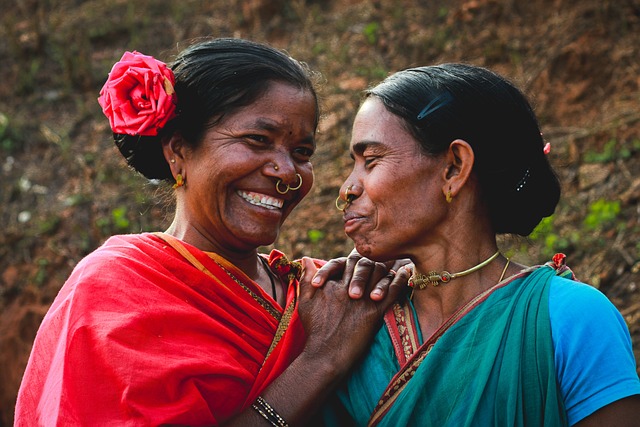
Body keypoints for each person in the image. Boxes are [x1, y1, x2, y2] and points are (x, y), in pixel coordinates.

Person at [14, 38, 406, 426]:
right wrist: (321, 361)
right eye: (258, 140)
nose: (288, 172)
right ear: (179, 150)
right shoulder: (112, 294)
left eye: (302, 152)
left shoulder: (319, 291)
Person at [327, 63, 640, 426]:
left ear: (453, 168)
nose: (347, 188)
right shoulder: (349, 319)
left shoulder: (570, 320)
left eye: (371, 160)